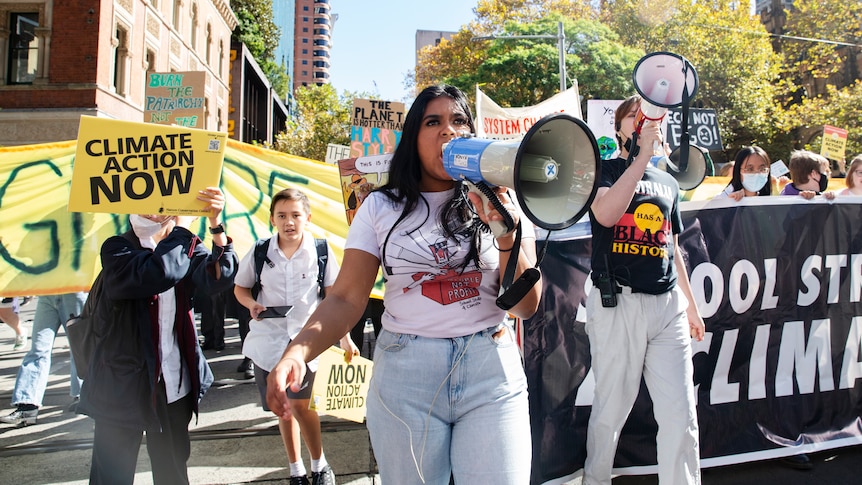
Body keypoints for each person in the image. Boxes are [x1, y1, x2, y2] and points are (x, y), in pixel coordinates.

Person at [265, 85, 541, 484]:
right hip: (406, 378)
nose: (448, 131)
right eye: (434, 122)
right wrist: (297, 353)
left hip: (491, 371)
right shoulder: (380, 206)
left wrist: (504, 232)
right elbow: (345, 298)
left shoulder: (507, 202)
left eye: (459, 120)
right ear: (413, 138)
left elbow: (527, 307)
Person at [77, 187, 237, 485]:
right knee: (112, 474)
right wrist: (182, 228)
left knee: (172, 471)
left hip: (173, 383)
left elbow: (218, 279)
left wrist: (215, 226)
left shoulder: (184, 245)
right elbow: (159, 273)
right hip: (122, 384)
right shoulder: (118, 248)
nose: (156, 207)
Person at [585, 94, 705, 485]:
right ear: (620, 127)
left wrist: (689, 305)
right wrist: (640, 159)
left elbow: (671, 247)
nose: (647, 121)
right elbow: (605, 213)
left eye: (654, 117)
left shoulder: (668, 183)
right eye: (635, 116)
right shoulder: (602, 170)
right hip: (618, 302)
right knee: (610, 410)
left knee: (680, 413)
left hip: (667, 306)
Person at [234, 187, 356, 485]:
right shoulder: (260, 250)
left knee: (301, 405)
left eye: (295, 215)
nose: (289, 222)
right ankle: (296, 470)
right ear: (273, 219)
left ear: (308, 218)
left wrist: (344, 337)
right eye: (282, 216)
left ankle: (320, 465)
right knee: (284, 409)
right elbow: (240, 287)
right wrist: (251, 304)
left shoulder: (321, 251)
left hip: (307, 341)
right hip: (268, 341)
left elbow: (334, 297)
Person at [1, 292, 87, 425]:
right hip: (48, 292)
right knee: (38, 350)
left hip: (73, 289)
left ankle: (85, 396)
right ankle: (27, 406)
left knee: (79, 348)